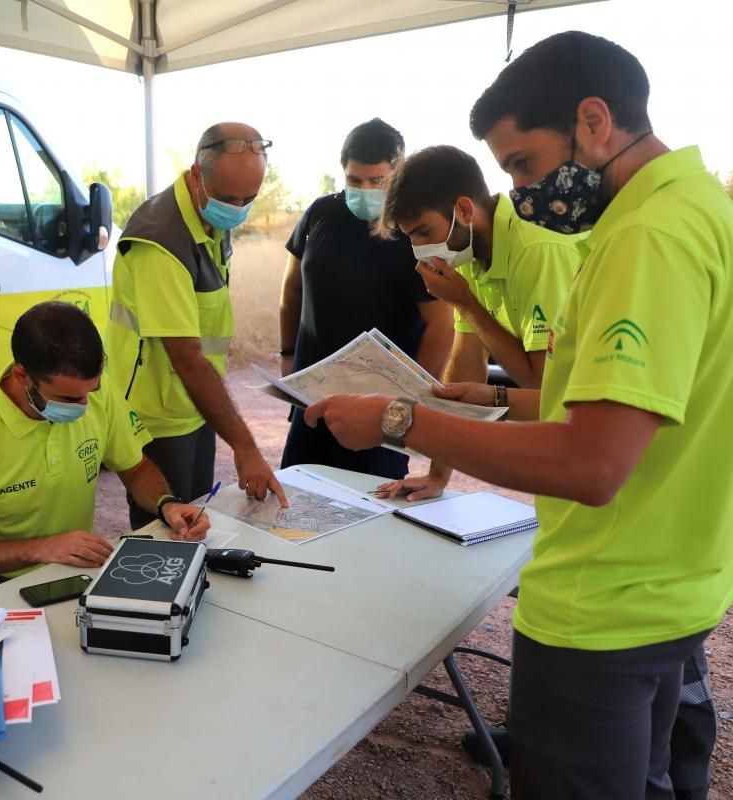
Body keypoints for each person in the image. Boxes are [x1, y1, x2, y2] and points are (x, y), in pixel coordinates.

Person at [303, 31, 731, 800]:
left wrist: (400, 421)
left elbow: (590, 463)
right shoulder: (702, 207)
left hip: (604, 602)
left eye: (524, 165)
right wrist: (487, 406)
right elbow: (623, 402)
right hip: (675, 578)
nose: (524, 191)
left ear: (593, 121)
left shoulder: (641, 238)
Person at [0, 301, 211, 602]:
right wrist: (41, 548)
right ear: (23, 376)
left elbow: (136, 469)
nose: (84, 405)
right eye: (68, 398)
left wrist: (167, 504)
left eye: (92, 390)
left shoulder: (95, 393)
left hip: (69, 569)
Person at [106, 121, 286, 530]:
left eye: (249, 198)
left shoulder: (210, 216)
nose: (238, 208)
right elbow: (186, 357)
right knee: (168, 532)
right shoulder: (161, 242)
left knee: (198, 519)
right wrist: (244, 446)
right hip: (159, 414)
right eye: (228, 197)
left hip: (193, 403)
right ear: (195, 176)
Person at [374, 145, 580, 501]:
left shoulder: (536, 251)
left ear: (464, 210)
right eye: (410, 238)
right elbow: (465, 368)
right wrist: (437, 475)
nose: (418, 249)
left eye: (423, 232)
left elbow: (539, 385)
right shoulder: (467, 249)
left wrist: (466, 304)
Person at [277, 119, 452, 480]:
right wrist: (287, 356)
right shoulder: (320, 213)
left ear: (397, 175)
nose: (366, 190)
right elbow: (292, 288)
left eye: (378, 182)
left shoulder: (414, 231)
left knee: (370, 512)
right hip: (311, 398)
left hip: (377, 410)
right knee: (297, 505)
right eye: (355, 180)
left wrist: (409, 402)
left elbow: (441, 323)